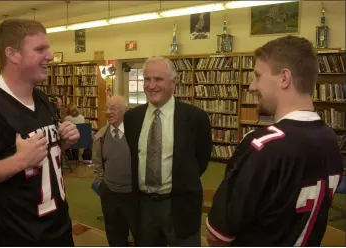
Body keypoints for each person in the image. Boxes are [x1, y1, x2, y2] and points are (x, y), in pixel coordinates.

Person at [206, 35, 344, 246]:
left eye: (258, 76)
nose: (252, 86)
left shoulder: (262, 146)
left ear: (284, 79)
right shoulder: (329, 138)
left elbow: (218, 236)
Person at [0, 19, 80, 246]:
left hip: (59, 232)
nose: (49, 56)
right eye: (40, 49)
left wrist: (61, 143)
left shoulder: (41, 98)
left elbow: (41, 160)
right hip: (14, 238)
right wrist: (18, 161)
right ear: (12, 54)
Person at [123, 57, 212, 246]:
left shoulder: (195, 118)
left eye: (158, 79)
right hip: (143, 207)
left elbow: (201, 159)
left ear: (173, 82)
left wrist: (182, 181)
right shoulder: (132, 118)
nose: (151, 85)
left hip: (180, 206)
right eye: (147, 79)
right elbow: (134, 158)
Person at [92, 95, 138, 246]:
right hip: (110, 194)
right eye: (106, 108)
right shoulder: (101, 136)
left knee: (141, 234)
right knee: (115, 235)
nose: (108, 112)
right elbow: (97, 164)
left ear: (125, 111)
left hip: (135, 194)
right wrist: (101, 183)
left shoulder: (137, 134)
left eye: (113, 108)